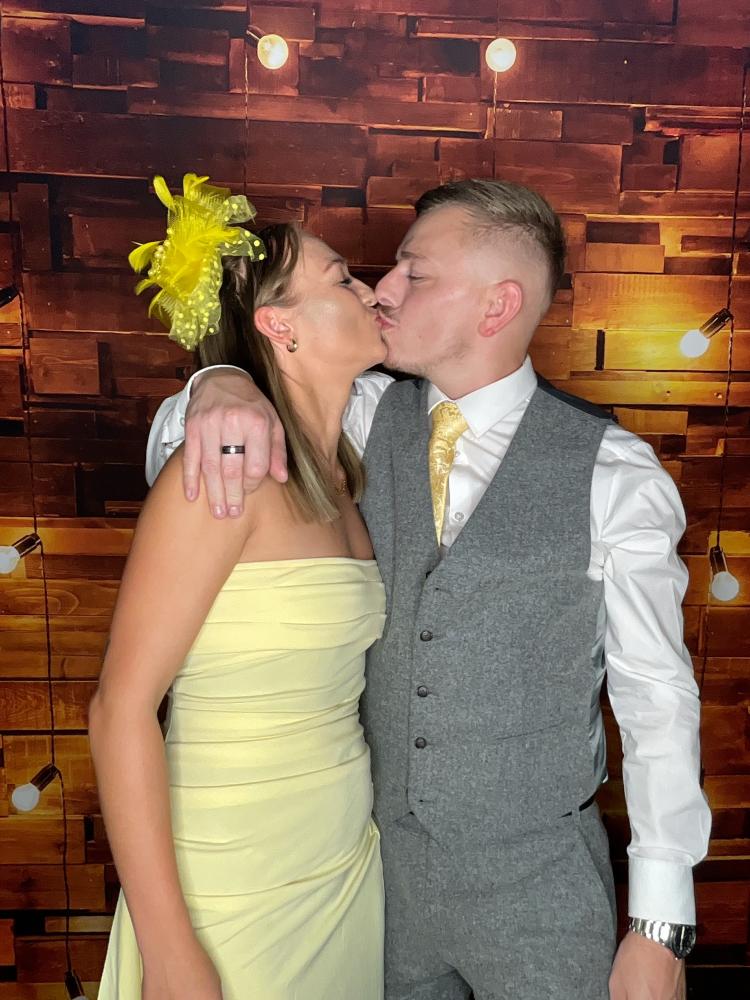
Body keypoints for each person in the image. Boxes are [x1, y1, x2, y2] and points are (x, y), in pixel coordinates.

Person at [147, 179, 712, 1000]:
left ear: (496, 306)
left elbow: (657, 699)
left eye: (414, 273)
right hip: (377, 886)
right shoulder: (360, 414)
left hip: (542, 891)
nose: (383, 289)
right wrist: (219, 382)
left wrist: (660, 924)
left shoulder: (615, 474)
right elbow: (187, 450)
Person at [90, 174, 388, 1000]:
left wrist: (218, 374)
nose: (370, 290)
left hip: (340, 865)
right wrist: (170, 951)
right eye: (342, 278)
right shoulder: (222, 472)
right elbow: (118, 712)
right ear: (277, 325)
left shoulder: (349, 472)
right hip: (230, 879)